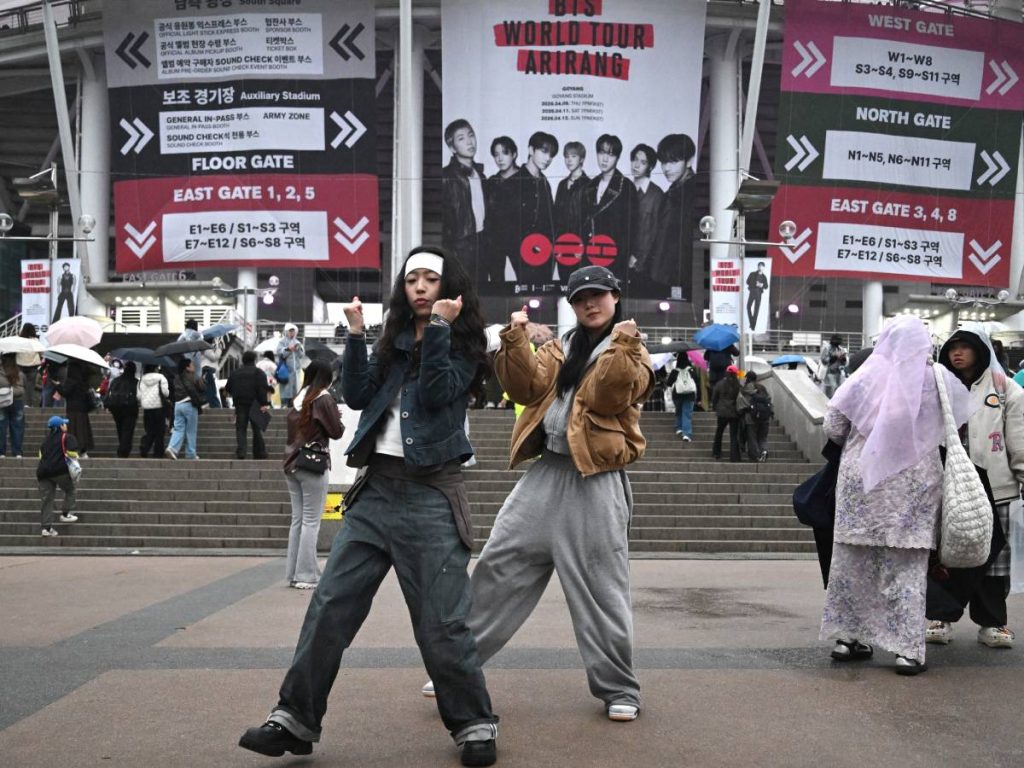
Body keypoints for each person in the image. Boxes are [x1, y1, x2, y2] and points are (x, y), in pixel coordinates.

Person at [239, 246, 499, 766]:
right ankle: (294, 718)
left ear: (450, 288)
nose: (420, 287)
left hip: (431, 494)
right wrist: (356, 335)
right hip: (374, 490)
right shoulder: (394, 342)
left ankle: (473, 724)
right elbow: (355, 395)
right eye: (412, 280)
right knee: (331, 606)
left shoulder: (466, 345)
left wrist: (442, 332)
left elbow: (435, 393)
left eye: (431, 279)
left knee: (441, 621)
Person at [430, 264, 653, 724]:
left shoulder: (634, 351)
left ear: (615, 298)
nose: (590, 303)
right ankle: (457, 670)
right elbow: (523, 387)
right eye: (580, 298)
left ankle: (618, 688)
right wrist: (514, 340)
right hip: (545, 474)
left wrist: (626, 343)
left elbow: (609, 397)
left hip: (596, 481)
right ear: (572, 306)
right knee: (498, 565)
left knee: (600, 588)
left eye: (599, 295)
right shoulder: (561, 347)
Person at [821, 316, 974, 674]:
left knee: (852, 563)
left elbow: (833, 426)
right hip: (915, 486)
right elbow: (960, 421)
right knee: (906, 570)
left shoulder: (864, 378)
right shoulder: (939, 380)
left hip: (863, 482)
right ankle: (907, 651)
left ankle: (848, 639)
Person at [926, 326, 1023, 650]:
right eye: (953, 347)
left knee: (996, 559)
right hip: (948, 483)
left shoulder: (1004, 387)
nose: (958, 353)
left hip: (996, 484)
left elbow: (1019, 438)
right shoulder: (936, 386)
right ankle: (940, 617)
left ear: (981, 350)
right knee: (946, 555)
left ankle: (993, 623)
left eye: (966, 347)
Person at [279, 359, 341, 588]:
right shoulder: (323, 398)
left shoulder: (299, 397)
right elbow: (336, 431)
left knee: (298, 520)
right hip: (313, 464)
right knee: (311, 522)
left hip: (291, 463)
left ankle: (294, 573)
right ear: (326, 377)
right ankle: (306, 575)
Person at [583, 134, 636, 285]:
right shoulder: (590, 186)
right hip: (590, 257)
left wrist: (622, 264)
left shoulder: (625, 186)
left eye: (610, 154)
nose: (605, 159)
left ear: (617, 157)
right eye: (601, 153)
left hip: (614, 259)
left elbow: (631, 229)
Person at [651, 133, 697, 299]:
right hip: (664, 276)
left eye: (673, 161)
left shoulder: (692, 193)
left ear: (690, 161)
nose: (666, 168)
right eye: (663, 162)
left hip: (679, 278)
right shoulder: (672, 192)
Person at [512, 131, 558, 290]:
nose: (548, 159)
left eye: (552, 155)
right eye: (544, 152)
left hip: (545, 254)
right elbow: (508, 226)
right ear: (531, 150)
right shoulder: (514, 182)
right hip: (524, 255)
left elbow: (550, 220)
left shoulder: (545, 183)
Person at [441, 118, 487, 271]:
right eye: (461, 138)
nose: (469, 142)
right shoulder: (446, 176)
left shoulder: (481, 175)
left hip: (481, 242)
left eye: (471, 135)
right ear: (452, 147)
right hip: (460, 246)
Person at [481, 136, 520, 289]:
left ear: (514, 154)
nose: (500, 158)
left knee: (526, 280)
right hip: (494, 240)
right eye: (496, 154)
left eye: (504, 153)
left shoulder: (525, 178)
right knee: (497, 282)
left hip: (518, 239)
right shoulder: (491, 182)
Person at [37, 415, 80, 537]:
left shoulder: (45, 441)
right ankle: (65, 514)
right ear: (60, 426)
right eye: (64, 424)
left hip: (43, 473)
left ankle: (46, 528)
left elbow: (41, 456)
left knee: (47, 500)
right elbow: (72, 453)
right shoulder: (67, 437)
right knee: (70, 490)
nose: (66, 425)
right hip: (59, 471)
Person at [553, 140, 590, 282]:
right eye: (566, 156)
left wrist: (582, 248)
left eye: (573, 156)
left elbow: (588, 221)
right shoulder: (562, 184)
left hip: (580, 248)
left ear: (581, 159)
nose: (569, 160)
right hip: (562, 245)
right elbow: (557, 216)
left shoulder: (589, 185)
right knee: (564, 284)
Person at [226, 351, 272, 460]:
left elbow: (228, 387)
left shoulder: (235, 372)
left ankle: (241, 451)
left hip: (240, 404)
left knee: (241, 428)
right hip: (255, 404)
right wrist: (264, 403)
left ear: (243, 360)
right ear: (255, 360)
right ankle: (260, 452)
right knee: (256, 429)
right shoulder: (259, 372)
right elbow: (262, 389)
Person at [628, 143, 663, 283]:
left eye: (642, 162)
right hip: (621, 262)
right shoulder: (625, 189)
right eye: (635, 159)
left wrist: (637, 258)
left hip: (644, 266)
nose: (636, 165)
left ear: (651, 167)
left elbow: (655, 233)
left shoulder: (656, 195)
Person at [165, 358, 205, 460]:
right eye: (192, 365)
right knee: (191, 430)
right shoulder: (194, 377)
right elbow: (202, 388)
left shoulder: (177, 378)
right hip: (189, 405)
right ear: (187, 367)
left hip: (178, 405)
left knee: (178, 429)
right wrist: (202, 379)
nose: (194, 366)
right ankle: (191, 454)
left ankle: (172, 448)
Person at [54, 359, 94, 458]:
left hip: (72, 409)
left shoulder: (71, 381)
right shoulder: (83, 381)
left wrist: (58, 386)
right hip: (83, 409)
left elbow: (65, 392)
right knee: (82, 431)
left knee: (73, 430)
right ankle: (83, 451)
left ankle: (73, 449)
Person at [105, 360, 139, 458]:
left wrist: (107, 405)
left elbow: (109, 392)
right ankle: (124, 449)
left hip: (116, 408)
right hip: (130, 409)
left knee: (120, 428)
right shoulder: (135, 382)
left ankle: (123, 446)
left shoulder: (116, 380)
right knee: (128, 429)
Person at [137, 363, 169, 458]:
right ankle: (158, 452)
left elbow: (138, 396)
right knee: (160, 431)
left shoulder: (141, 379)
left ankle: (145, 447)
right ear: (155, 368)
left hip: (147, 409)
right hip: (159, 407)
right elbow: (165, 393)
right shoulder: (161, 377)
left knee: (150, 430)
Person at [711, 365, 742, 462]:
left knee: (719, 432)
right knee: (734, 435)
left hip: (722, 412)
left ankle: (716, 453)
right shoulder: (738, 385)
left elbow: (714, 397)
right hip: (734, 412)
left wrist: (715, 407)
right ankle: (734, 456)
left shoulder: (720, 384)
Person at [740, 370, 772, 462]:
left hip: (751, 417)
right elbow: (768, 399)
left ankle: (755, 456)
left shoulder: (745, 389)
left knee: (752, 437)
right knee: (762, 437)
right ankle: (764, 450)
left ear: (747, 378)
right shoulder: (762, 388)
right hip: (764, 417)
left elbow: (742, 403)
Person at [665, 353, 697, 441]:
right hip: (690, 395)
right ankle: (686, 434)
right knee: (686, 414)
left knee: (679, 411)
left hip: (677, 395)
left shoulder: (675, 371)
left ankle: (679, 428)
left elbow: (669, 383)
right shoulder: (691, 370)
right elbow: (696, 381)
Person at [0, 353, 26, 457]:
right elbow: (23, 389)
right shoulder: (19, 373)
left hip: (2, 401)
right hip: (17, 401)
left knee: (1, 427)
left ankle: (1, 452)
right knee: (17, 426)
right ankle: (17, 452)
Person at [276, 324, 305, 408]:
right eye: (290, 331)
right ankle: (284, 403)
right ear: (286, 332)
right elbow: (280, 353)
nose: (291, 333)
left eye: (293, 331)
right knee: (286, 388)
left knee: (295, 388)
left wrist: (298, 349)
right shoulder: (282, 342)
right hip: (286, 370)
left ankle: (293, 404)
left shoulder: (298, 342)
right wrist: (288, 349)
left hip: (296, 371)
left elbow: (301, 355)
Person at [16, 323, 42, 406]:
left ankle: (20, 404)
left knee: (20, 385)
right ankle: (28, 404)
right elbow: (41, 352)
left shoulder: (18, 340)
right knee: (30, 387)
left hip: (20, 365)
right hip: (33, 366)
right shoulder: (35, 341)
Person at [199, 337, 223, 408]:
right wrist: (219, 349)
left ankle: (214, 405)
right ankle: (215, 406)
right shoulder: (205, 348)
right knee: (212, 389)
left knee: (212, 389)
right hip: (208, 369)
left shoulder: (207, 348)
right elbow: (214, 357)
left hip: (208, 369)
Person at [746, 262, 769, 331]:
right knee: (748, 307)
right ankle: (752, 323)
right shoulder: (752, 274)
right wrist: (755, 284)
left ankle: (753, 326)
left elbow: (766, 286)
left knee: (756, 310)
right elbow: (747, 282)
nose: (760, 267)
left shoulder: (764, 277)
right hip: (752, 292)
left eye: (762, 266)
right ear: (758, 267)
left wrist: (761, 285)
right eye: (759, 266)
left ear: (764, 268)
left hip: (759, 294)